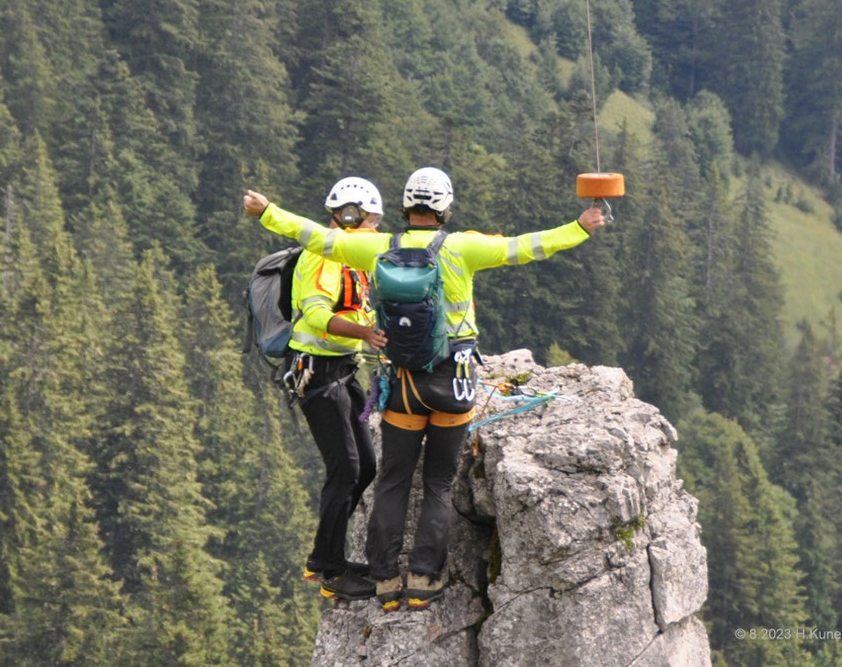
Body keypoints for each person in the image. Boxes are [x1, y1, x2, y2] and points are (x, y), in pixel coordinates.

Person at [244, 167, 605, 610]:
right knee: (436, 483)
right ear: (445, 207)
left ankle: (382, 580)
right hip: (452, 380)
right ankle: (422, 578)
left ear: (404, 207)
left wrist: (267, 213)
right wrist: (579, 228)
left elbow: (319, 238)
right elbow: (525, 248)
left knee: (393, 480)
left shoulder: (379, 247)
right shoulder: (463, 247)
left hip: (404, 382)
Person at [281, 176, 387, 601]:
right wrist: (366, 333)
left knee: (365, 467)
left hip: (342, 372)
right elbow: (319, 314)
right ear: (349, 217)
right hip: (318, 375)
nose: (376, 231)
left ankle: (330, 556)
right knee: (344, 468)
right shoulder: (322, 256)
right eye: (371, 222)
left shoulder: (352, 260)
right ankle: (327, 566)